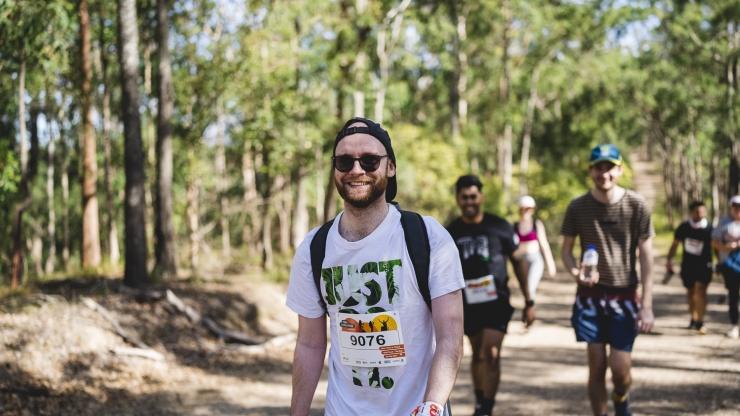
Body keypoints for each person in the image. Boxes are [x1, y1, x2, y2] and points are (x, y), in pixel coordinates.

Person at [286, 117, 465, 416]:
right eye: (344, 161)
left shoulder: (427, 237)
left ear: (390, 167)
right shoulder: (313, 248)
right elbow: (309, 344)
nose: (356, 170)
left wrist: (431, 406)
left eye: (369, 161)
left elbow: (450, 337)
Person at [560, 144, 654, 416]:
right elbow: (566, 250)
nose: (604, 173)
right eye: (598, 167)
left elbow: (647, 256)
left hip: (624, 295)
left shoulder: (636, 205)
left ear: (620, 169)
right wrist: (575, 273)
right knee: (597, 365)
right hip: (590, 298)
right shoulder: (577, 207)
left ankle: (622, 400)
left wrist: (646, 304)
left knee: (621, 370)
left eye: (610, 167)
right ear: (590, 171)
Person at [446, 174, 533, 416]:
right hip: (468, 305)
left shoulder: (500, 226)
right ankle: (480, 400)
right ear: (457, 199)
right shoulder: (450, 231)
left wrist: (529, 301)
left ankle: (486, 409)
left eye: (473, 196)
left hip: (497, 303)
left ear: (481, 197)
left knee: (491, 354)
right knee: (477, 354)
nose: (469, 202)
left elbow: (518, 262)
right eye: (464, 197)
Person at [666, 201, 713, 334]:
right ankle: (693, 318)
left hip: (704, 266)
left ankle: (700, 321)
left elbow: (715, 247)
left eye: (703, 211)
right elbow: (675, 244)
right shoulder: (684, 227)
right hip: (688, 266)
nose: (701, 214)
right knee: (691, 293)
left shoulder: (709, 228)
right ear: (692, 212)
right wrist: (669, 259)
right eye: (698, 211)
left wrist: (719, 263)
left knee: (700, 292)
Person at [512, 195, 557, 302]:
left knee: (531, 286)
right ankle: (529, 309)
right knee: (525, 288)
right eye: (523, 209)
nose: (525, 211)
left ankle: (529, 308)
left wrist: (551, 264)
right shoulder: (515, 226)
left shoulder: (536, 224)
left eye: (528, 209)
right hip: (522, 262)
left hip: (535, 259)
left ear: (532, 210)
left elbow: (544, 245)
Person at [711, 195, 740, 339]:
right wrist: (726, 247)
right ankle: (734, 325)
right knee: (733, 295)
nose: (738, 210)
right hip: (729, 265)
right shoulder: (723, 223)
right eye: (735, 207)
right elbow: (714, 242)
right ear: (731, 207)